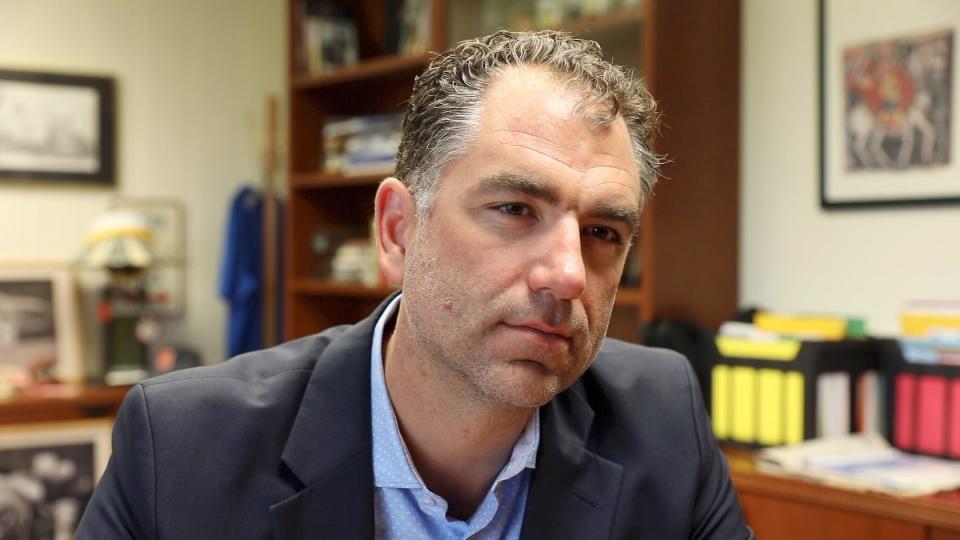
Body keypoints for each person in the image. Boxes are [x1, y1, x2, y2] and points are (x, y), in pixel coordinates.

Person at [77, 30, 753, 539]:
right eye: (515, 210)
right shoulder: (182, 448)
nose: (569, 273)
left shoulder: (663, 421)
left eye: (603, 233)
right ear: (398, 231)